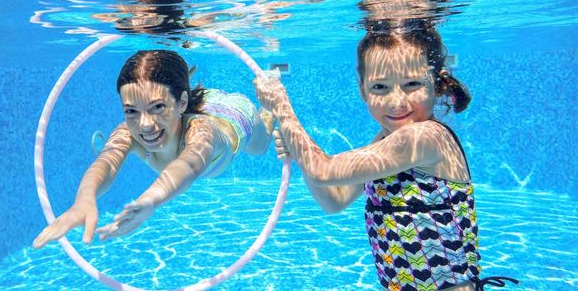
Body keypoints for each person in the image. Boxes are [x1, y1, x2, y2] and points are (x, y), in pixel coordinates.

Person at [254, 28, 518, 290]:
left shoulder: (426, 137)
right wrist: (299, 153)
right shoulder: (383, 142)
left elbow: (324, 170)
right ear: (363, 91)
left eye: (412, 84)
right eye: (380, 87)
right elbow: (334, 199)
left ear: (436, 84)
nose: (396, 102)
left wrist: (281, 107)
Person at [34, 50, 273, 248]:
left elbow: (188, 164)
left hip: (235, 115)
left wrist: (150, 200)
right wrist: (84, 198)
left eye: (157, 107)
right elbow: (107, 161)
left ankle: (268, 108)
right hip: (190, 102)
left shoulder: (202, 132)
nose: (145, 124)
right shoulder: (129, 131)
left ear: (181, 103)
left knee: (259, 148)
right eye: (131, 111)